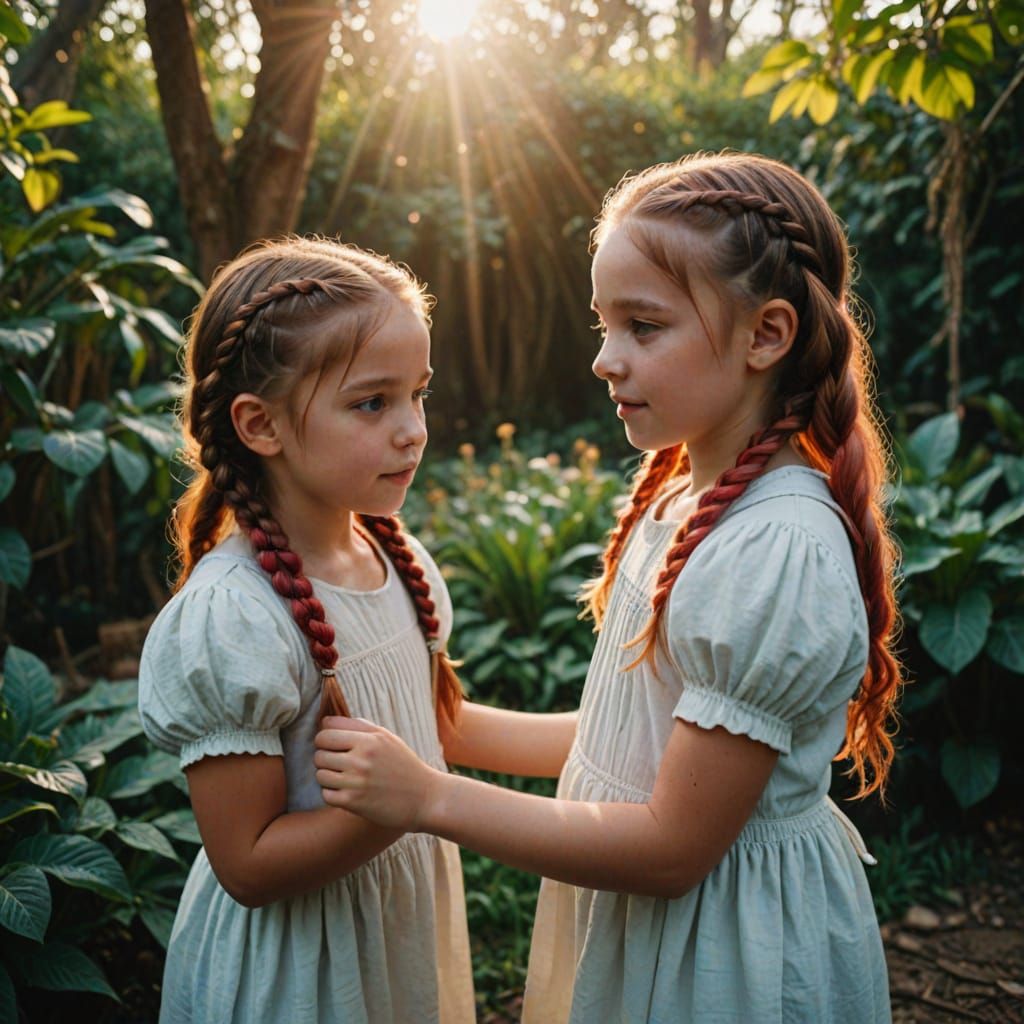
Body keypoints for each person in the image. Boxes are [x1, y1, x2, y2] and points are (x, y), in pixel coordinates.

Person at [313, 152, 902, 1023]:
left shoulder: (773, 549)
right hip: (664, 928)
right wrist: (442, 729)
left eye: (643, 326)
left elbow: (671, 848)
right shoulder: (685, 499)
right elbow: (623, 743)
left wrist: (430, 798)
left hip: (725, 955)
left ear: (766, 334)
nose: (603, 359)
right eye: (604, 324)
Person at [137, 237, 478, 1023]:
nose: (413, 429)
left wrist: (595, 734)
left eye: (418, 394)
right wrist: (413, 805)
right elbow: (249, 865)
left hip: (391, 931)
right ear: (261, 425)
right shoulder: (237, 616)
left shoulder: (390, 557)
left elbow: (429, 730)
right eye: (372, 403)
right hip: (300, 971)